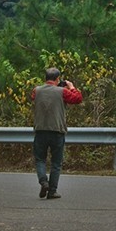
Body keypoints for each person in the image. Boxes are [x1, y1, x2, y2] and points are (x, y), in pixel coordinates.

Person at [31, 67, 83, 200]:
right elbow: (77, 99)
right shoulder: (62, 92)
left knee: (40, 159)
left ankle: (43, 181)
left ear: (45, 78)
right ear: (58, 79)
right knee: (56, 162)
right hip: (57, 131)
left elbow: (33, 99)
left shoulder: (36, 91)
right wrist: (71, 87)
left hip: (40, 130)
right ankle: (52, 190)